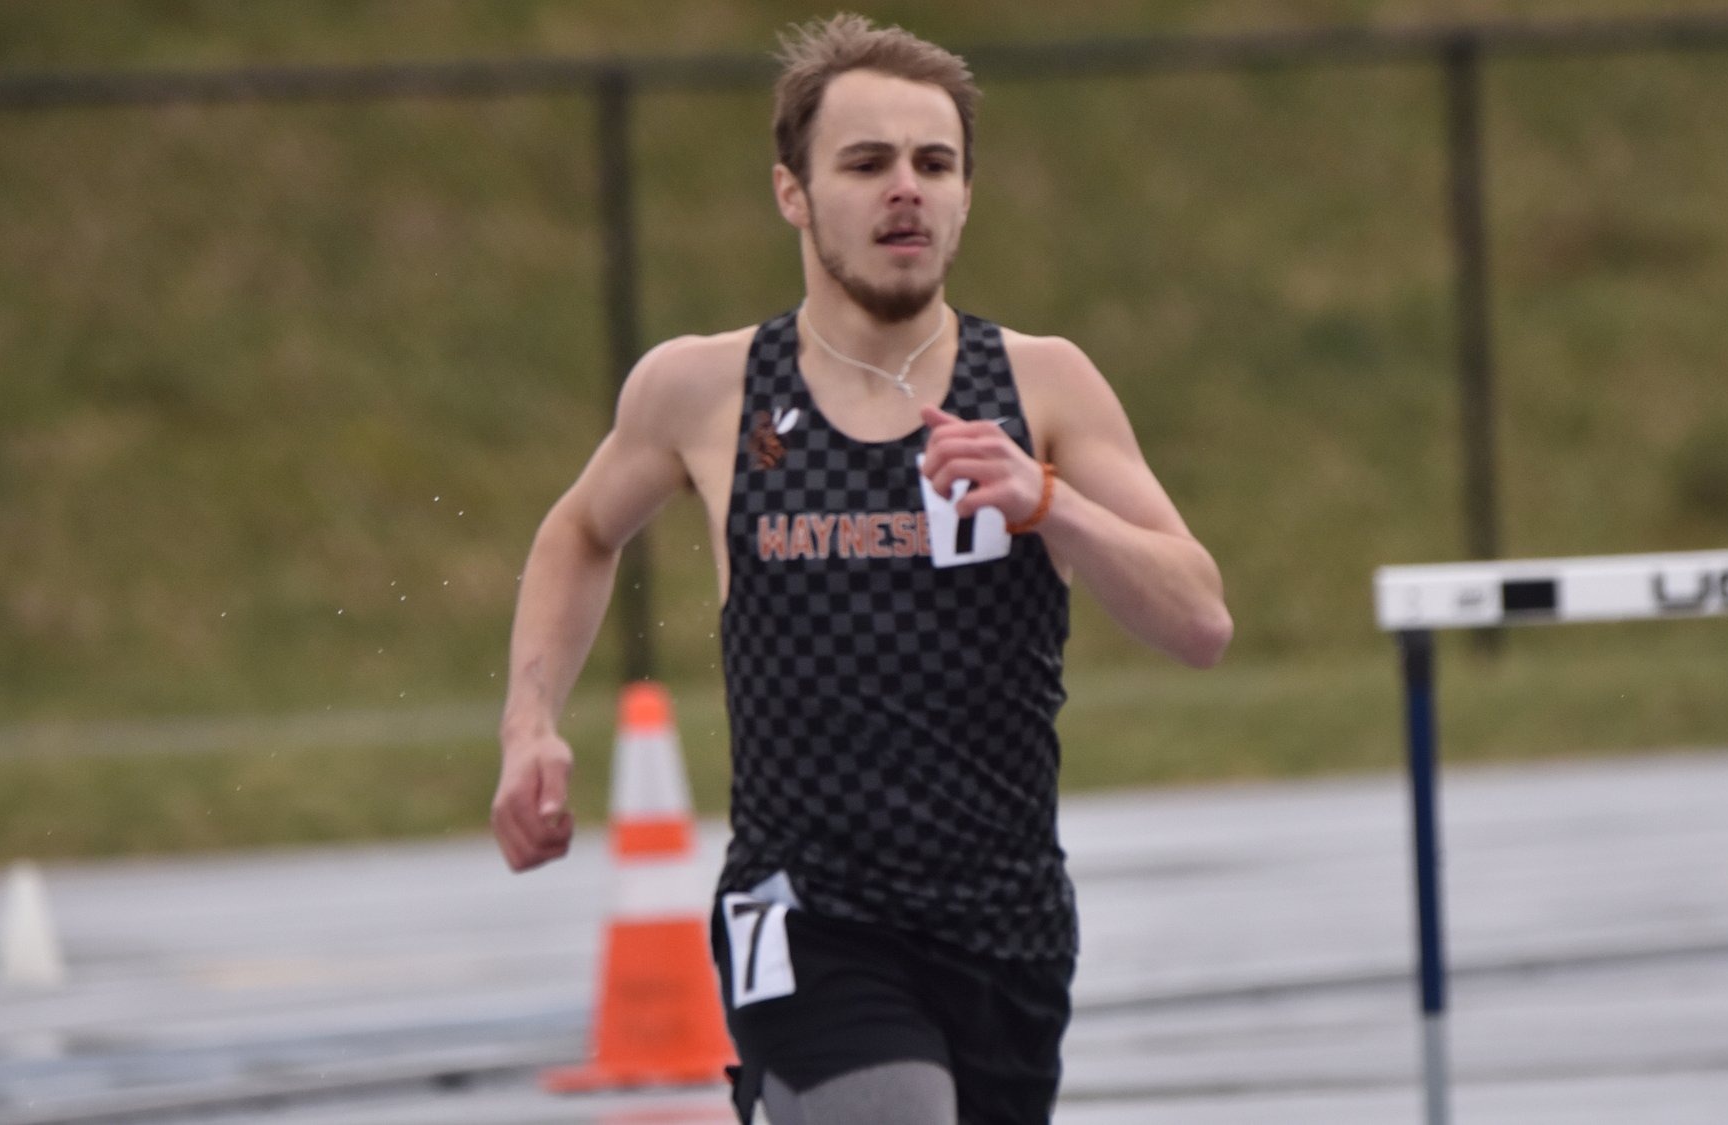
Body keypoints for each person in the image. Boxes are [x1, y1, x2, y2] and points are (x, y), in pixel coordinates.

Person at [492, 13, 1231, 1124]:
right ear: (792, 192)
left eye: (934, 164)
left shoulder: (1043, 387)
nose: (906, 191)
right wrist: (529, 723)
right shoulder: (707, 390)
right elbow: (580, 532)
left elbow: (1199, 621)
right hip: (803, 912)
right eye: (867, 162)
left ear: (967, 195)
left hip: (1004, 925)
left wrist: (1052, 506)